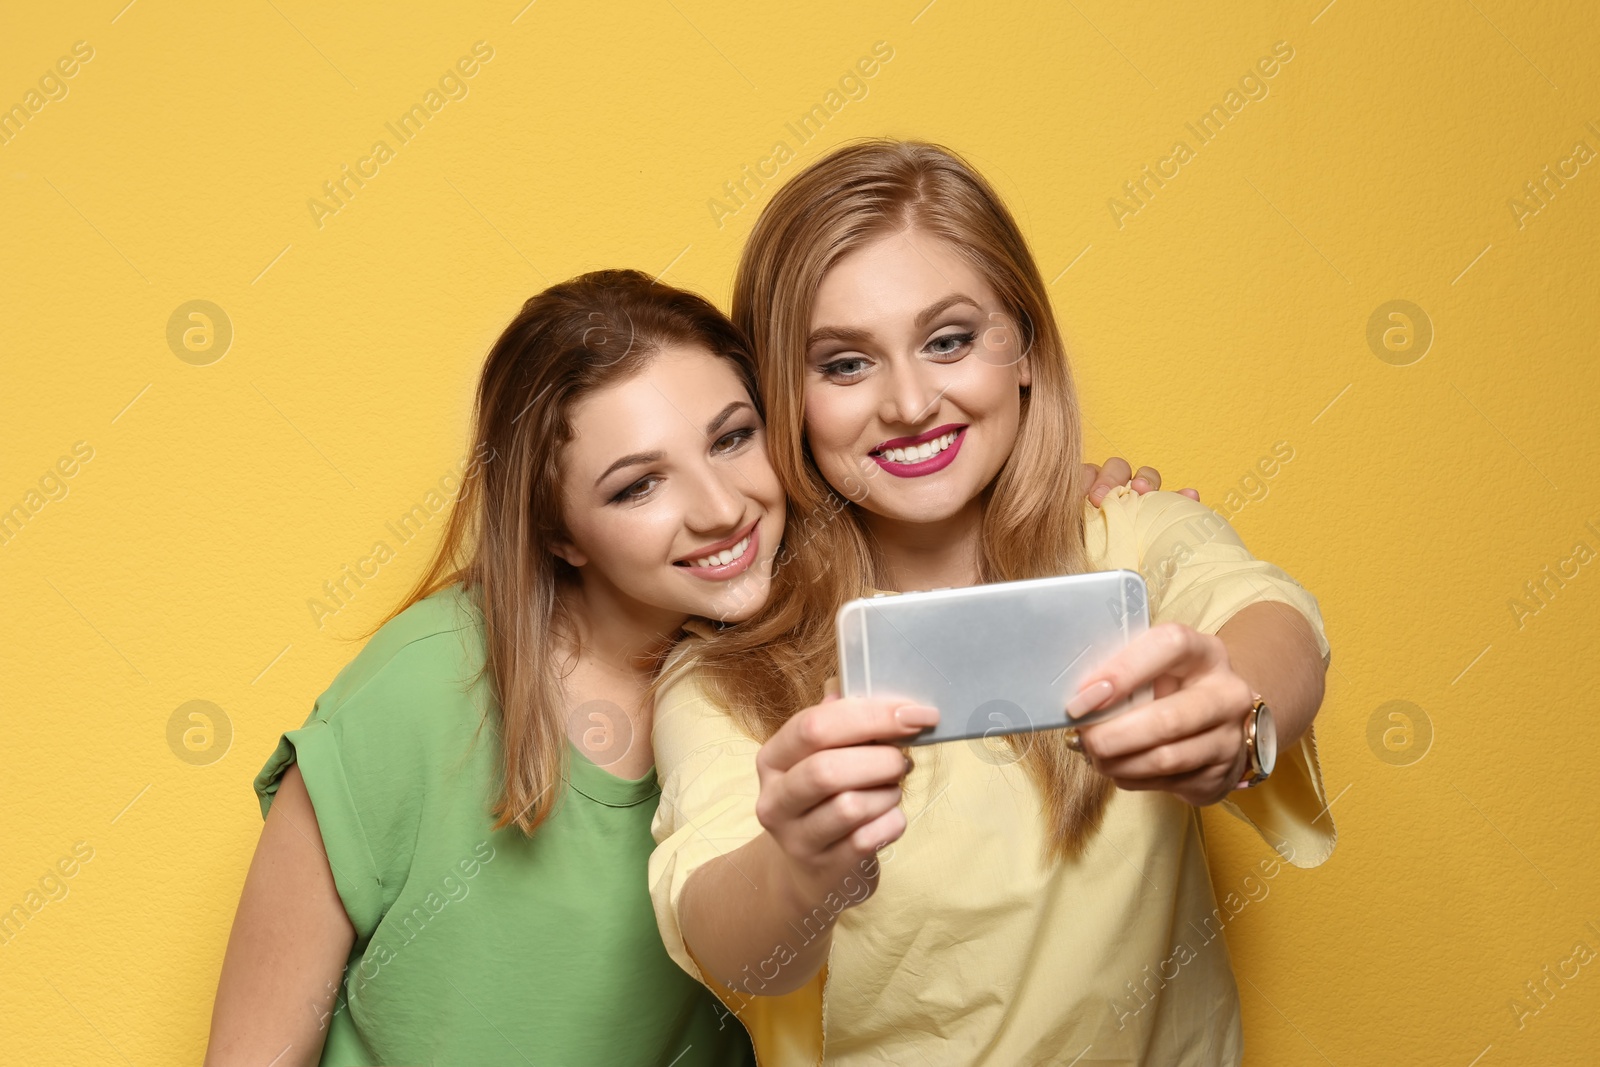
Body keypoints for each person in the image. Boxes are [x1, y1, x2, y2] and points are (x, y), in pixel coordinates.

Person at [205, 266, 1170, 1065]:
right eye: (638, 485)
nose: (719, 507)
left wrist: (1047, 506)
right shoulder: (419, 689)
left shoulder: (812, 649)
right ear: (559, 531)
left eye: (733, 437)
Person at [649, 141, 1335, 1066]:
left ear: (1023, 347)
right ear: (786, 399)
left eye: (949, 340)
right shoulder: (729, 671)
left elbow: (1271, 619)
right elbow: (732, 938)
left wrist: (1235, 712)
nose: (909, 401)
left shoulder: (1123, 538)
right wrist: (800, 864)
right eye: (845, 364)